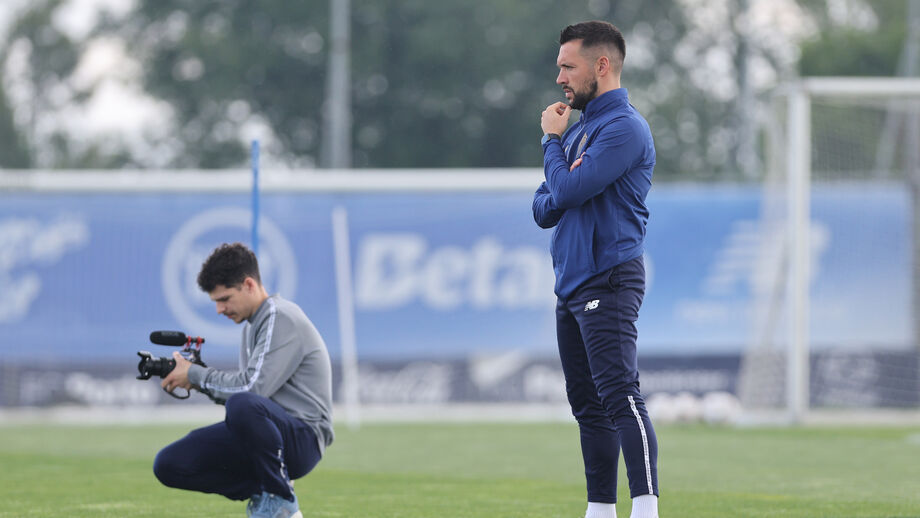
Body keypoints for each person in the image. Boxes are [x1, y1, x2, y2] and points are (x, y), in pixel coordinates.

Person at [532, 21, 659, 518]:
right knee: (587, 406)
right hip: (571, 283)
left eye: (568, 66)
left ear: (600, 65)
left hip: (609, 277)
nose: (560, 76)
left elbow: (561, 192)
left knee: (620, 394)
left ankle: (646, 508)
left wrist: (550, 146)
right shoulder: (579, 128)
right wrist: (560, 160)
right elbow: (543, 209)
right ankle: (600, 510)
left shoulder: (623, 128)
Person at [153, 242, 334, 518]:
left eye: (224, 299)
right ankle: (263, 489)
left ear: (249, 284)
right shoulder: (252, 326)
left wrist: (195, 374)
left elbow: (252, 390)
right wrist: (196, 380)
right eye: (215, 301)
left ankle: (281, 498)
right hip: (270, 436)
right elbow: (248, 401)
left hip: (303, 439)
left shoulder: (278, 315)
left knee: (242, 404)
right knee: (169, 463)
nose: (219, 309)